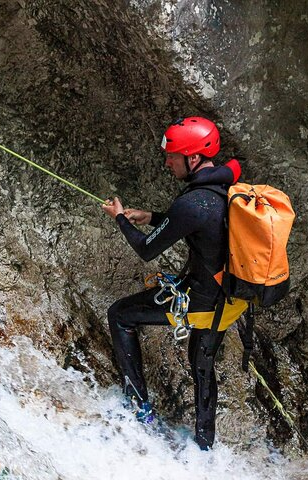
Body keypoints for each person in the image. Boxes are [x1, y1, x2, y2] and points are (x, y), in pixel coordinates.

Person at [101, 117, 247, 450]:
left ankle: (140, 410)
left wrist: (121, 219)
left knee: (121, 315)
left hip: (200, 301)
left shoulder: (192, 202)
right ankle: (204, 448)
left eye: (173, 156)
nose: (168, 162)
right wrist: (151, 216)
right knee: (202, 363)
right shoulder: (226, 187)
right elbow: (198, 225)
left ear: (193, 158)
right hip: (229, 300)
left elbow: (147, 249)